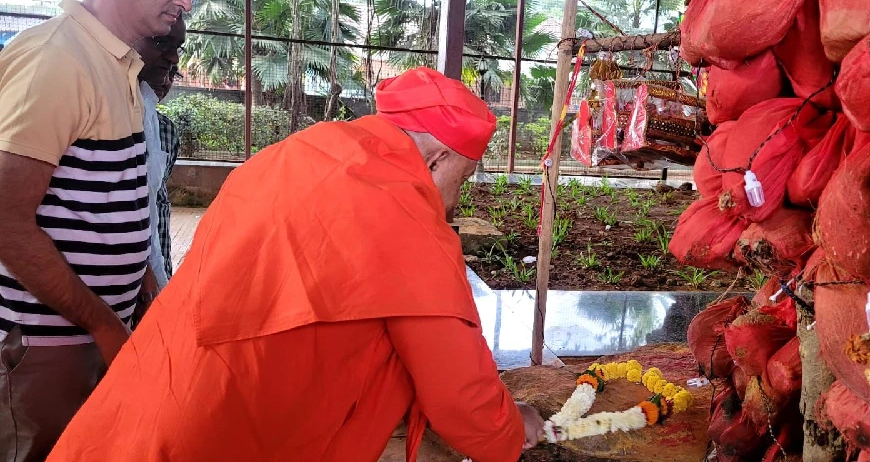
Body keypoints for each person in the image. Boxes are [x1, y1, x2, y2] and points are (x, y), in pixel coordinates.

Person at [46, 67, 545, 462]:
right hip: (222, 431)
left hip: (150, 396)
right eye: (464, 178)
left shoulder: (293, 155)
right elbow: (460, 398)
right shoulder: (407, 214)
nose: (456, 199)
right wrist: (511, 425)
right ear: (436, 160)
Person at [0, 0, 196, 462]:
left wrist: (144, 292)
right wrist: (105, 325)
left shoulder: (119, 70)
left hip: (87, 334)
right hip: (43, 345)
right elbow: (6, 221)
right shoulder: (57, 59)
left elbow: (108, 206)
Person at [132, 17, 186, 321]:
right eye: (163, 43)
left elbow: (155, 194)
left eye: (177, 47)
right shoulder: (117, 111)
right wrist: (143, 271)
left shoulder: (163, 128)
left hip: (156, 246)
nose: (172, 59)